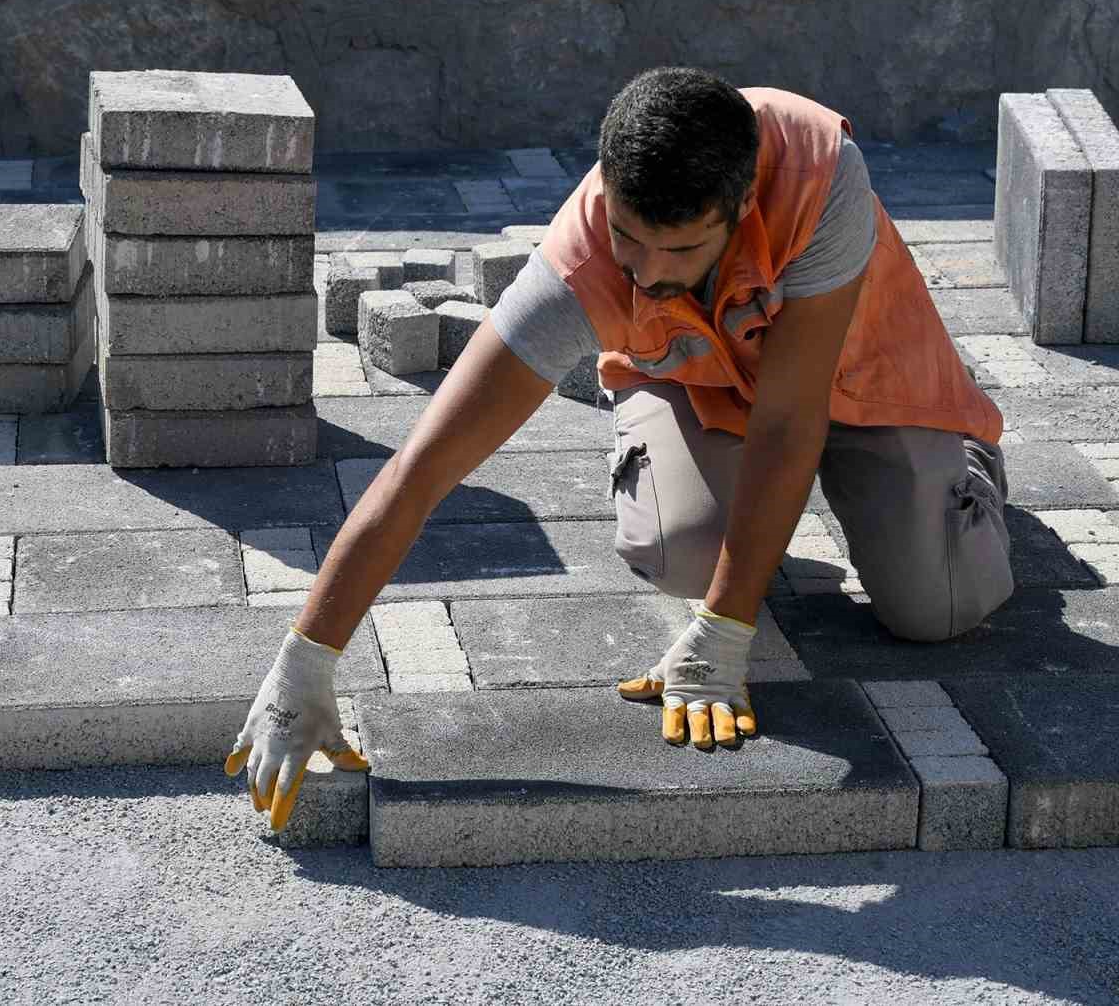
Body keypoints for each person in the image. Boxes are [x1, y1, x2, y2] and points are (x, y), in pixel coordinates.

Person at [225, 67, 1012, 832]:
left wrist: (725, 637)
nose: (648, 274)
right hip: (700, 381)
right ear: (608, 187)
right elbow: (425, 466)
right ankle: (747, 526)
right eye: (632, 240)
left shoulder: (819, 171)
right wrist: (308, 657)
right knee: (685, 558)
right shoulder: (584, 255)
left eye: (682, 250)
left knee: (937, 608)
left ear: (739, 205)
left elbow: (788, 420)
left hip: (860, 372)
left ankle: (960, 461)